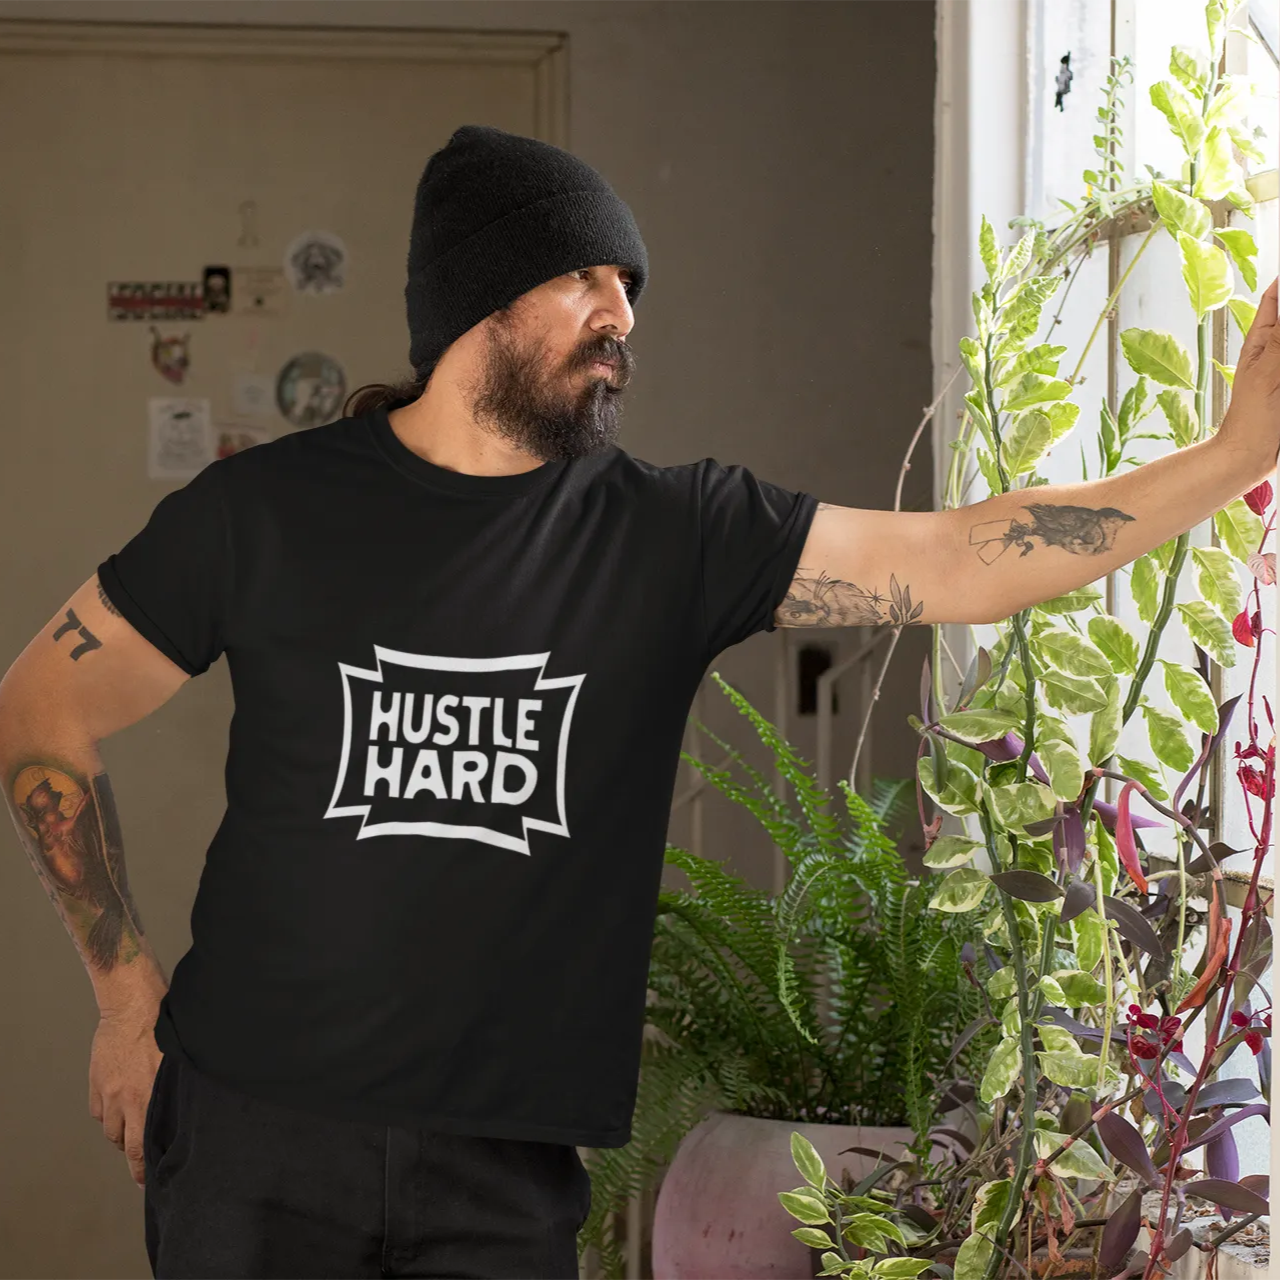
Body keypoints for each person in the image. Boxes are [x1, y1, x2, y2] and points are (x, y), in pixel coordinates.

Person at [1, 122, 1277, 1279]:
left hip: (504, 1169)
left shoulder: (677, 535)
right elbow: (39, 709)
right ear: (474, 300)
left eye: (631, 289)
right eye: (585, 279)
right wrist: (123, 998)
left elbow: (957, 559)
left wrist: (1231, 458)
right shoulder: (262, 514)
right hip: (247, 1139)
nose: (621, 313)